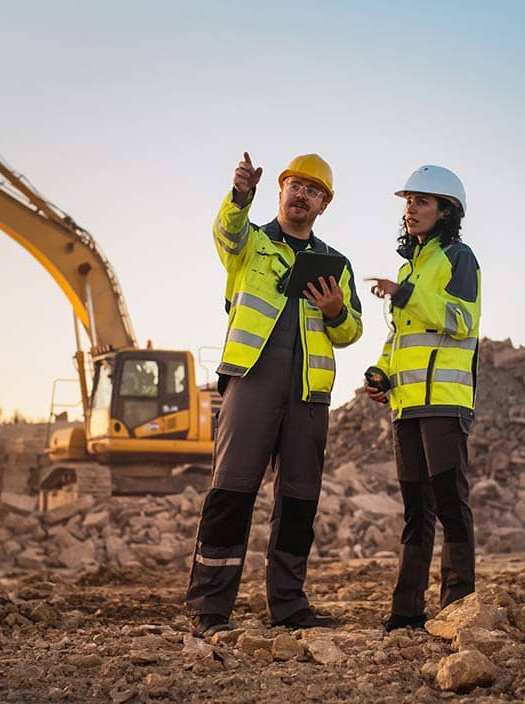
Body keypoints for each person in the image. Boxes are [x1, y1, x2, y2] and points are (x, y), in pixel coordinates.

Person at [187, 152, 363, 637]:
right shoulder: (252, 242)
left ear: (323, 205)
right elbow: (227, 233)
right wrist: (239, 196)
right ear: (280, 190)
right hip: (252, 379)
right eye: (295, 186)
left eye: (314, 191)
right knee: (231, 491)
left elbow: (351, 332)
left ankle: (288, 605)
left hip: (308, 393)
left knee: (299, 500)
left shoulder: (336, 265)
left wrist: (333, 311)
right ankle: (209, 606)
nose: (302, 195)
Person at [364, 165, 481, 631]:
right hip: (406, 406)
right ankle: (406, 612)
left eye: (421, 201)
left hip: (445, 403)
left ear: (446, 210)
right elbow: (398, 338)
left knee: (451, 503)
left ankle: (458, 608)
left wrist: (406, 293)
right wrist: (381, 371)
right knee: (416, 511)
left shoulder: (459, 257)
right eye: (408, 201)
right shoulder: (408, 266)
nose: (410, 209)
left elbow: (461, 319)